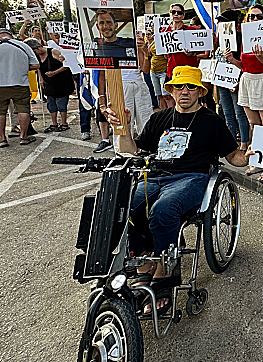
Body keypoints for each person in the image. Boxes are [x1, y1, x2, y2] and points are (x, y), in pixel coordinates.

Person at [106, 65, 252, 314]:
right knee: (122, 206)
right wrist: (125, 127)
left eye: (191, 87)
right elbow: (132, 150)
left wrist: (249, 157)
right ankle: (144, 263)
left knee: (163, 210)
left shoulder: (212, 121)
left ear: (200, 92)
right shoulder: (159, 118)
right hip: (155, 176)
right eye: (179, 87)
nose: (185, 91)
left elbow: (233, 156)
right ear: (171, 90)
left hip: (192, 178)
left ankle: (166, 271)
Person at [225, 4, 263, 182]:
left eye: (258, 16)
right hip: (247, 80)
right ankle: (258, 160)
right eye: (251, 16)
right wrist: (232, 60)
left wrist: (261, 58)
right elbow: (244, 65)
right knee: (253, 124)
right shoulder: (245, 38)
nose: (255, 19)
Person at [0, 28, 40, 147]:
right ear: (11, 36)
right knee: (23, 109)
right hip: (20, 83)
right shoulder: (23, 45)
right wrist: (20, 67)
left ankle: (2, 139)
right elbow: (35, 65)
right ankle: (23, 137)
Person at [215, 10, 250, 149]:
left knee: (239, 112)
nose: (220, 24)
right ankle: (231, 140)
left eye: (223, 22)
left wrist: (238, 80)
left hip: (235, 81)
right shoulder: (219, 39)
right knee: (227, 111)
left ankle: (244, 141)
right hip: (222, 80)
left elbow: (244, 64)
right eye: (219, 22)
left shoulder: (241, 39)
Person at [25, 38, 75, 132]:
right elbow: (38, 67)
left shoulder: (53, 52)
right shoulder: (37, 56)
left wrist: (54, 72)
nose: (35, 53)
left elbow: (66, 64)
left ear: (39, 47)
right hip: (48, 82)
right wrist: (40, 78)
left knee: (61, 103)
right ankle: (54, 123)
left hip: (61, 80)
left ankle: (64, 123)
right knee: (51, 103)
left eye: (35, 51)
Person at [161, 3, 204, 107]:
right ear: (170, 14)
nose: (176, 14)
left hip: (189, 70)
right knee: (172, 97)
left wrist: (192, 53)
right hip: (172, 70)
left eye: (179, 13)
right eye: (173, 12)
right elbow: (164, 55)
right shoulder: (164, 32)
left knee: (190, 98)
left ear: (183, 16)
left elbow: (201, 50)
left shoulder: (191, 30)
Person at [146, 28, 169, 109]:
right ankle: (163, 113)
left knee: (166, 95)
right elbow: (148, 53)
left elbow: (166, 57)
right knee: (159, 95)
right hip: (153, 71)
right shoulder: (153, 42)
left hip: (163, 71)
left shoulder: (163, 42)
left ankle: (169, 112)